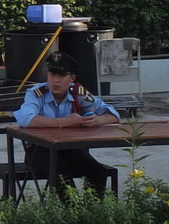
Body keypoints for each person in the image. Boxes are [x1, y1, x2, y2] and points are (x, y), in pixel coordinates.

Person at [13, 51, 121, 196]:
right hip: (39, 150)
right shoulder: (37, 93)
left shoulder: (78, 93)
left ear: (72, 78)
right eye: (52, 74)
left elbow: (113, 114)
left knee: (98, 171)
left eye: (61, 75)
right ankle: (72, 213)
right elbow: (25, 118)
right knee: (60, 171)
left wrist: (99, 120)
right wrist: (63, 122)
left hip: (69, 148)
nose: (56, 80)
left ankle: (91, 213)